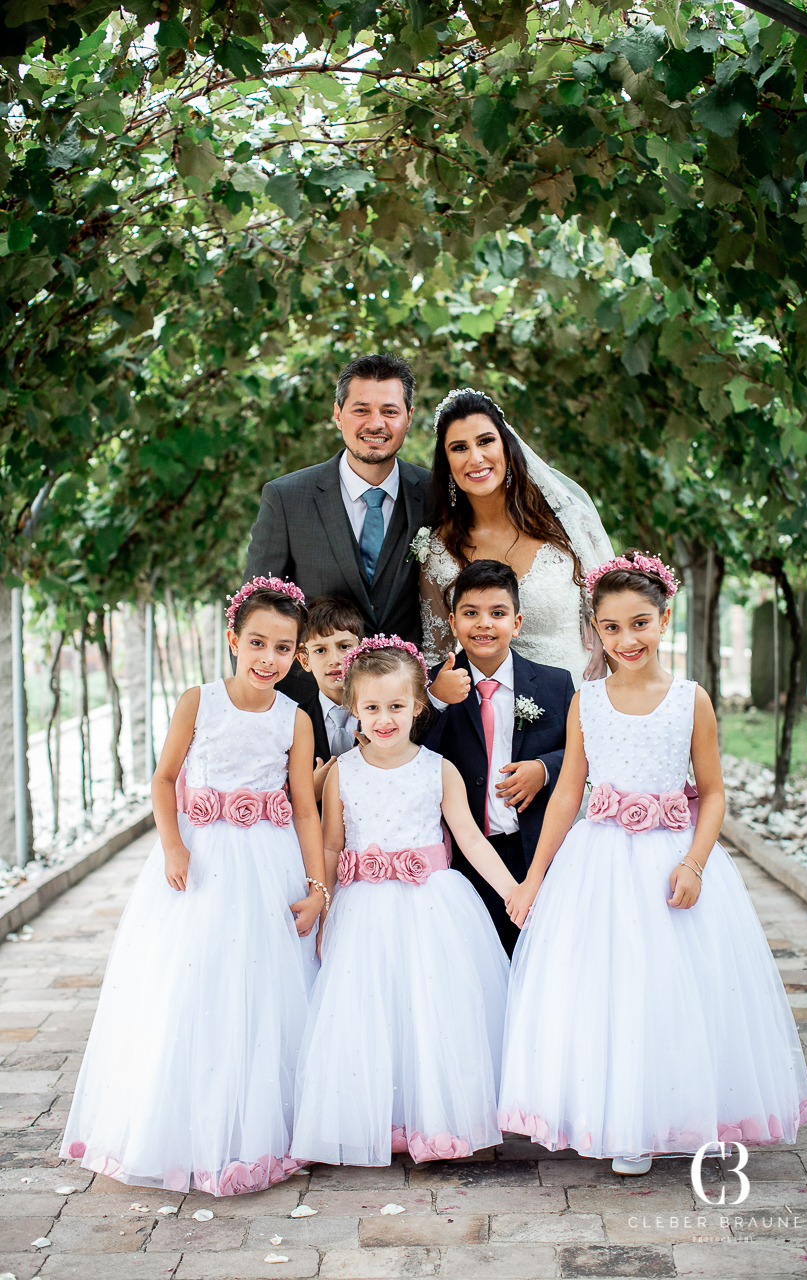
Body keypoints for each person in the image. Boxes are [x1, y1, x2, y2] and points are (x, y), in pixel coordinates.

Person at [498, 551, 807, 1175]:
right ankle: (624, 1124)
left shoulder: (689, 700)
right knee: (610, 990)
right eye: (611, 628)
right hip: (601, 861)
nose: (626, 639)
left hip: (672, 857)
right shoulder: (587, 700)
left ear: (664, 618)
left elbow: (714, 791)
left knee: (676, 991)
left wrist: (695, 862)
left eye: (639, 623)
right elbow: (568, 793)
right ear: (595, 630)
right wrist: (534, 878)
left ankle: (680, 1109)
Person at [60, 577, 329, 1195]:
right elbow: (163, 779)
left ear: (296, 655)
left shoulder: (294, 717)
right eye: (257, 642)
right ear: (232, 639)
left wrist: (317, 886)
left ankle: (264, 1130)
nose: (269, 658)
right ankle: (183, 1128)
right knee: (193, 979)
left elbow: (304, 808)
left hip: (268, 861)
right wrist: (174, 845)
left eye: (284, 648)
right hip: (203, 860)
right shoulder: (197, 701)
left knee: (263, 986)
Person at [290, 637, 515, 1167]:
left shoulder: (438, 769)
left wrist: (514, 890)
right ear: (354, 710)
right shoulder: (343, 772)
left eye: (396, 706)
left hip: (430, 906)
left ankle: (438, 1119)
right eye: (371, 708)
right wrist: (322, 901)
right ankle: (379, 1119)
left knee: (432, 1007)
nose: (384, 718)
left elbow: (469, 837)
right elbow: (329, 842)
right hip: (362, 908)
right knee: (370, 1010)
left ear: (418, 705)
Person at [245, 353, 433, 704]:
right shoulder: (287, 499)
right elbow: (256, 615)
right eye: (361, 409)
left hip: (409, 709)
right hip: (309, 709)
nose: (375, 423)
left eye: (389, 411)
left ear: (408, 418)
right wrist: (257, 710)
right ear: (337, 414)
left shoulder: (435, 495)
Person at [423, 560, 572, 956]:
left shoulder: (556, 684)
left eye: (498, 613)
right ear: (453, 623)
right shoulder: (428, 684)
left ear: (517, 622)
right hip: (463, 858)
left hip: (535, 854)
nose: (484, 624)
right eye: (471, 613)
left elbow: (582, 754)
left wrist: (545, 769)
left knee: (537, 960)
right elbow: (410, 752)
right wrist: (435, 700)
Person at [420, 388, 613, 690]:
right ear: (446, 463)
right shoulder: (438, 551)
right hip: (489, 719)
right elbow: (436, 657)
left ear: (507, 447)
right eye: (459, 448)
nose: (476, 457)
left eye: (485, 441)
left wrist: (607, 639)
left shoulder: (568, 527)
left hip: (581, 700)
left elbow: (619, 611)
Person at [296, 596, 365, 804]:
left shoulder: (384, 715)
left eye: (344, 647)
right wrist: (312, 792)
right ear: (304, 659)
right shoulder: (294, 720)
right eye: (320, 650)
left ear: (361, 650)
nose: (335, 659)